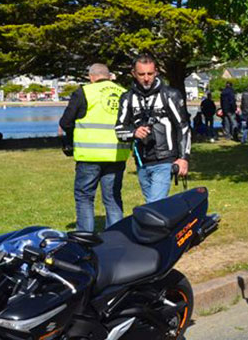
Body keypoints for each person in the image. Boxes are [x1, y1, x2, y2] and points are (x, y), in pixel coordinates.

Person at [59, 63, 130, 231]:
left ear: (91, 77)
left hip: (89, 154)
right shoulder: (123, 93)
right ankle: (116, 238)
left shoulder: (84, 92)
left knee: (84, 197)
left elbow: (65, 122)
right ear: (109, 75)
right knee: (112, 198)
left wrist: (71, 139)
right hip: (116, 154)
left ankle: (85, 238)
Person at [115, 56, 191, 203]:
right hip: (142, 162)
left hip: (165, 160)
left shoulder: (170, 95)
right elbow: (119, 129)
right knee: (154, 204)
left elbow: (183, 127)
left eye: (150, 74)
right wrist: (133, 132)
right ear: (133, 73)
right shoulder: (127, 98)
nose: (146, 78)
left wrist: (183, 158)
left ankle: (155, 225)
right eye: (142, 74)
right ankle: (167, 224)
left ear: (156, 72)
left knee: (154, 204)